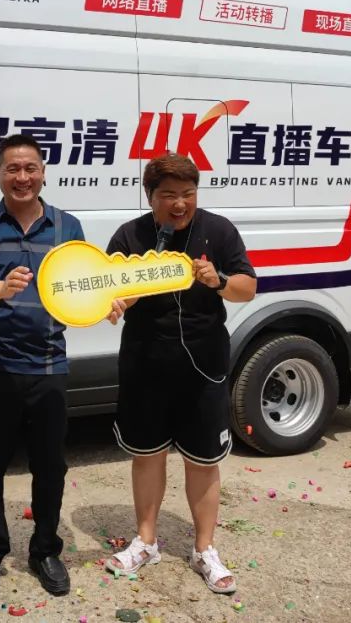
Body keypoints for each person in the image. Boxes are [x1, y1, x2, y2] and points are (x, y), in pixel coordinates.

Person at [102, 153, 256, 594]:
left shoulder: (219, 230)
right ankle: (146, 541)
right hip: (145, 360)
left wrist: (217, 280)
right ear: (150, 196)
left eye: (188, 194)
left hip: (204, 363)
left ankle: (204, 549)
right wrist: (116, 302)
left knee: (203, 459)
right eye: (168, 195)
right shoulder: (129, 235)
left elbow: (247, 288)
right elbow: (110, 292)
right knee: (147, 454)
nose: (180, 204)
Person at [0, 134, 85, 602]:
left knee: (51, 465)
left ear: (43, 172)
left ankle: (45, 550)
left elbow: (82, 287)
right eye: (12, 169)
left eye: (30, 168)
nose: (22, 177)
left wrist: (106, 303)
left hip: (47, 363)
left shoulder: (67, 226)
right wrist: (0, 288)